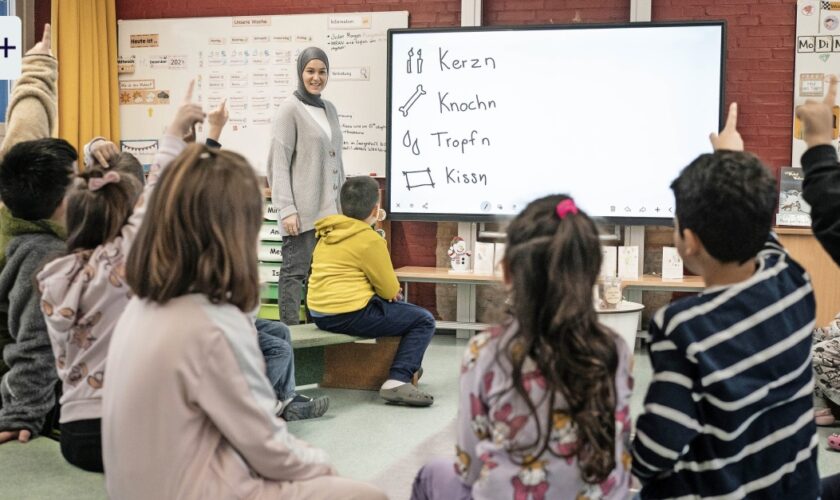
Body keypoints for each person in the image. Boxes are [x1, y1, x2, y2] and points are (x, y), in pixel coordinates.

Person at [101, 142, 386, 500]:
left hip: (139, 485)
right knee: (368, 494)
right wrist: (326, 468)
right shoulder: (213, 326)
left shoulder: (143, 305)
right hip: (193, 488)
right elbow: (266, 446)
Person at [631, 104, 819, 499]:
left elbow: (661, 443)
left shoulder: (683, 326)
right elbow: (759, 230)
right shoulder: (791, 278)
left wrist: (631, 466)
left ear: (690, 241)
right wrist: (729, 159)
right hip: (796, 487)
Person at [410, 194, 633, 500]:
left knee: (432, 474)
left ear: (507, 272)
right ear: (591, 272)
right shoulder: (614, 348)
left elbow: (470, 468)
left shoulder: (485, 350)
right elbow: (619, 450)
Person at [35, 81, 207, 471]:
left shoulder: (51, 275)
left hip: (76, 434)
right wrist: (175, 132)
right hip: (132, 425)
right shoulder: (121, 260)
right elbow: (158, 192)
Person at [203, 97, 329, 420]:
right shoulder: (209, 243)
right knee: (278, 347)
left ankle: (284, 399)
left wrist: (215, 132)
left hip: (231, 321)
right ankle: (262, 407)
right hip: (215, 327)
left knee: (282, 333)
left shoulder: (228, 238)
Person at [0, 25, 76, 446]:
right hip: (22, 395)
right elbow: (35, 343)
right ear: (62, 200)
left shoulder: (17, 191)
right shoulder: (43, 257)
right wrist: (21, 415)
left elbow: (26, 123)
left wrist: (39, 63)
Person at [307, 176, 435, 406]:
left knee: (393, 309)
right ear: (376, 209)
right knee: (422, 319)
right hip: (348, 313)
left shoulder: (328, 232)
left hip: (318, 312)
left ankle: (402, 362)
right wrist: (390, 293)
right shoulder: (369, 238)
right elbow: (389, 288)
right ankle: (397, 379)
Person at [267, 46, 344, 325]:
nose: (316, 77)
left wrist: (342, 207)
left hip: (330, 214)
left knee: (320, 276)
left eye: (322, 71)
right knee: (294, 273)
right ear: (301, 73)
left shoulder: (330, 109)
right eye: (310, 71)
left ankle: (315, 333)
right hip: (301, 212)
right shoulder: (290, 110)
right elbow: (278, 163)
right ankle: (290, 337)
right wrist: (286, 209)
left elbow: (337, 160)